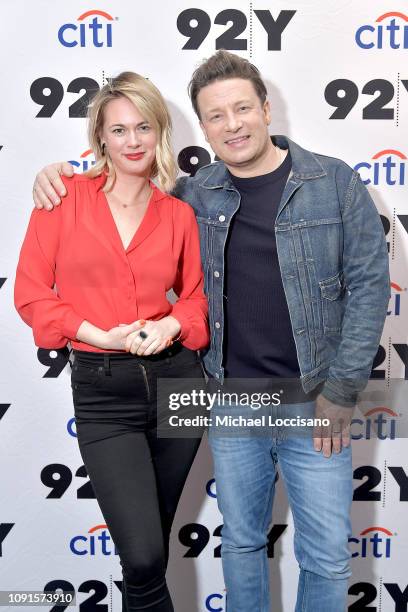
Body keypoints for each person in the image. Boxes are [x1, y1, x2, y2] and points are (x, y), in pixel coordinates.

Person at [30, 51, 390, 612]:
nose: (233, 124)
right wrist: (54, 173)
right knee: (241, 545)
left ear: (266, 109)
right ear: (202, 127)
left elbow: (370, 285)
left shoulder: (334, 182)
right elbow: (119, 202)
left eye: (243, 108)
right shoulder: (196, 193)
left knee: (325, 556)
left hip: (314, 400)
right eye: (216, 116)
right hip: (226, 403)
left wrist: (342, 391)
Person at [15, 71, 209, 612]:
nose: (133, 141)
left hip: (180, 384)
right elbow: (31, 293)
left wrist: (169, 324)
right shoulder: (62, 200)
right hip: (104, 393)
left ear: (160, 131)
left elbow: (194, 299)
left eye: (143, 127)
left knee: (146, 558)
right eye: (118, 130)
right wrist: (98, 333)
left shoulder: (180, 215)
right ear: (100, 137)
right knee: (145, 555)